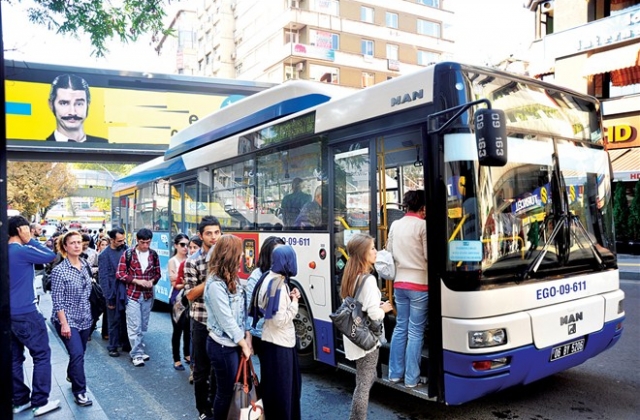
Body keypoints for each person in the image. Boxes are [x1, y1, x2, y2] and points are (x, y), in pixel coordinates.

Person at [8, 216, 60, 416]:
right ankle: (40, 401)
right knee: (41, 354)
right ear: (21, 229)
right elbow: (50, 256)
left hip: (7, 314)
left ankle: (19, 400)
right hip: (27, 312)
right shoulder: (22, 251)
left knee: (14, 358)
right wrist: (29, 239)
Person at [341, 233, 393, 420]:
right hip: (367, 339)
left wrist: (374, 307)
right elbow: (373, 314)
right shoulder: (369, 280)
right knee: (364, 384)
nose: (375, 251)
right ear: (363, 254)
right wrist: (384, 309)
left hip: (355, 334)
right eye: (372, 248)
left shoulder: (350, 276)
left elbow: (359, 306)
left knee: (365, 379)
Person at [204, 235, 252, 420]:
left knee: (231, 390)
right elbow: (227, 320)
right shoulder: (215, 284)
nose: (242, 258)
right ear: (231, 256)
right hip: (222, 346)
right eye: (239, 254)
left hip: (234, 344)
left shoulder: (233, 278)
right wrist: (244, 344)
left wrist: (246, 336)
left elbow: (241, 313)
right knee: (225, 392)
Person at [387, 190, 428, 388]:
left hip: (399, 284)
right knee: (415, 331)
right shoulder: (423, 226)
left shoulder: (395, 225)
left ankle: (395, 374)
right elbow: (429, 257)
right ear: (423, 207)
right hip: (420, 285)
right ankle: (412, 379)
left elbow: (389, 252)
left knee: (400, 327)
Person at [257, 245, 302, 420]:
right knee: (285, 393)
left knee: (274, 391)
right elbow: (280, 320)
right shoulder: (278, 286)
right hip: (281, 344)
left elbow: (262, 307)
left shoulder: (268, 277)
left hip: (270, 341)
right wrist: (295, 302)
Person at [50, 231, 94, 407]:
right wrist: (64, 324)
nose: (77, 245)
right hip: (67, 319)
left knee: (79, 353)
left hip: (85, 317)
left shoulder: (84, 264)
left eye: (79, 242)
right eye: (72, 243)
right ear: (65, 247)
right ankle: (80, 392)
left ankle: (72, 374)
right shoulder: (59, 271)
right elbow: (57, 300)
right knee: (76, 354)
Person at [184, 216, 223, 420]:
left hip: (222, 323)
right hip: (201, 321)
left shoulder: (226, 258)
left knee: (220, 369)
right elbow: (190, 295)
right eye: (209, 233)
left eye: (217, 232)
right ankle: (203, 410)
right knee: (201, 370)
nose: (214, 237)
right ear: (201, 236)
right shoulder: (192, 262)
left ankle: (217, 406)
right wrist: (211, 277)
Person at [116, 228, 162, 367]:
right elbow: (120, 273)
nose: (145, 246)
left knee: (143, 325)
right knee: (134, 325)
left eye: (148, 243)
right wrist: (136, 280)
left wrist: (151, 281)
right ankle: (136, 354)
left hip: (147, 295)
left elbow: (158, 273)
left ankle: (139, 350)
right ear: (137, 240)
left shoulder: (153, 255)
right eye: (143, 243)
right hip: (132, 294)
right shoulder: (128, 254)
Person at [246, 236, 285, 359]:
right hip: (263, 333)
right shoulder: (257, 276)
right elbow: (249, 308)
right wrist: (248, 336)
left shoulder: (282, 274)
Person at [46, 74, 108, 143]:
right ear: (51, 105)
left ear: (88, 105)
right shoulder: (41, 149)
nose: (72, 112)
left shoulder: (104, 145)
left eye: (79, 104)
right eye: (64, 103)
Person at [98, 227, 130, 358]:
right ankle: (113, 346)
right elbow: (103, 278)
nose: (122, 243)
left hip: (126, 289)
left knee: (126, 319)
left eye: (123, 240)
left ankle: (125, 342)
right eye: (119, 241)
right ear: (112, 240)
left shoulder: (126, 250)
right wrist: (109, 297)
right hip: (113, 291)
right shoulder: (104, 255)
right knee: (113, 320)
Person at [169, 233, 190, 371]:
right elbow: (174, 283)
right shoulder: (173, 261)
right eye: (182, 244)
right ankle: (176, 359)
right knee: (177, 330)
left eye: (187, 245)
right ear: (176, 245)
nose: (185, 248)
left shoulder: (191, 259)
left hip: (189, 297)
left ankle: (187, 354)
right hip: (177, 299)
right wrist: (187, 282)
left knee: (189, 329)